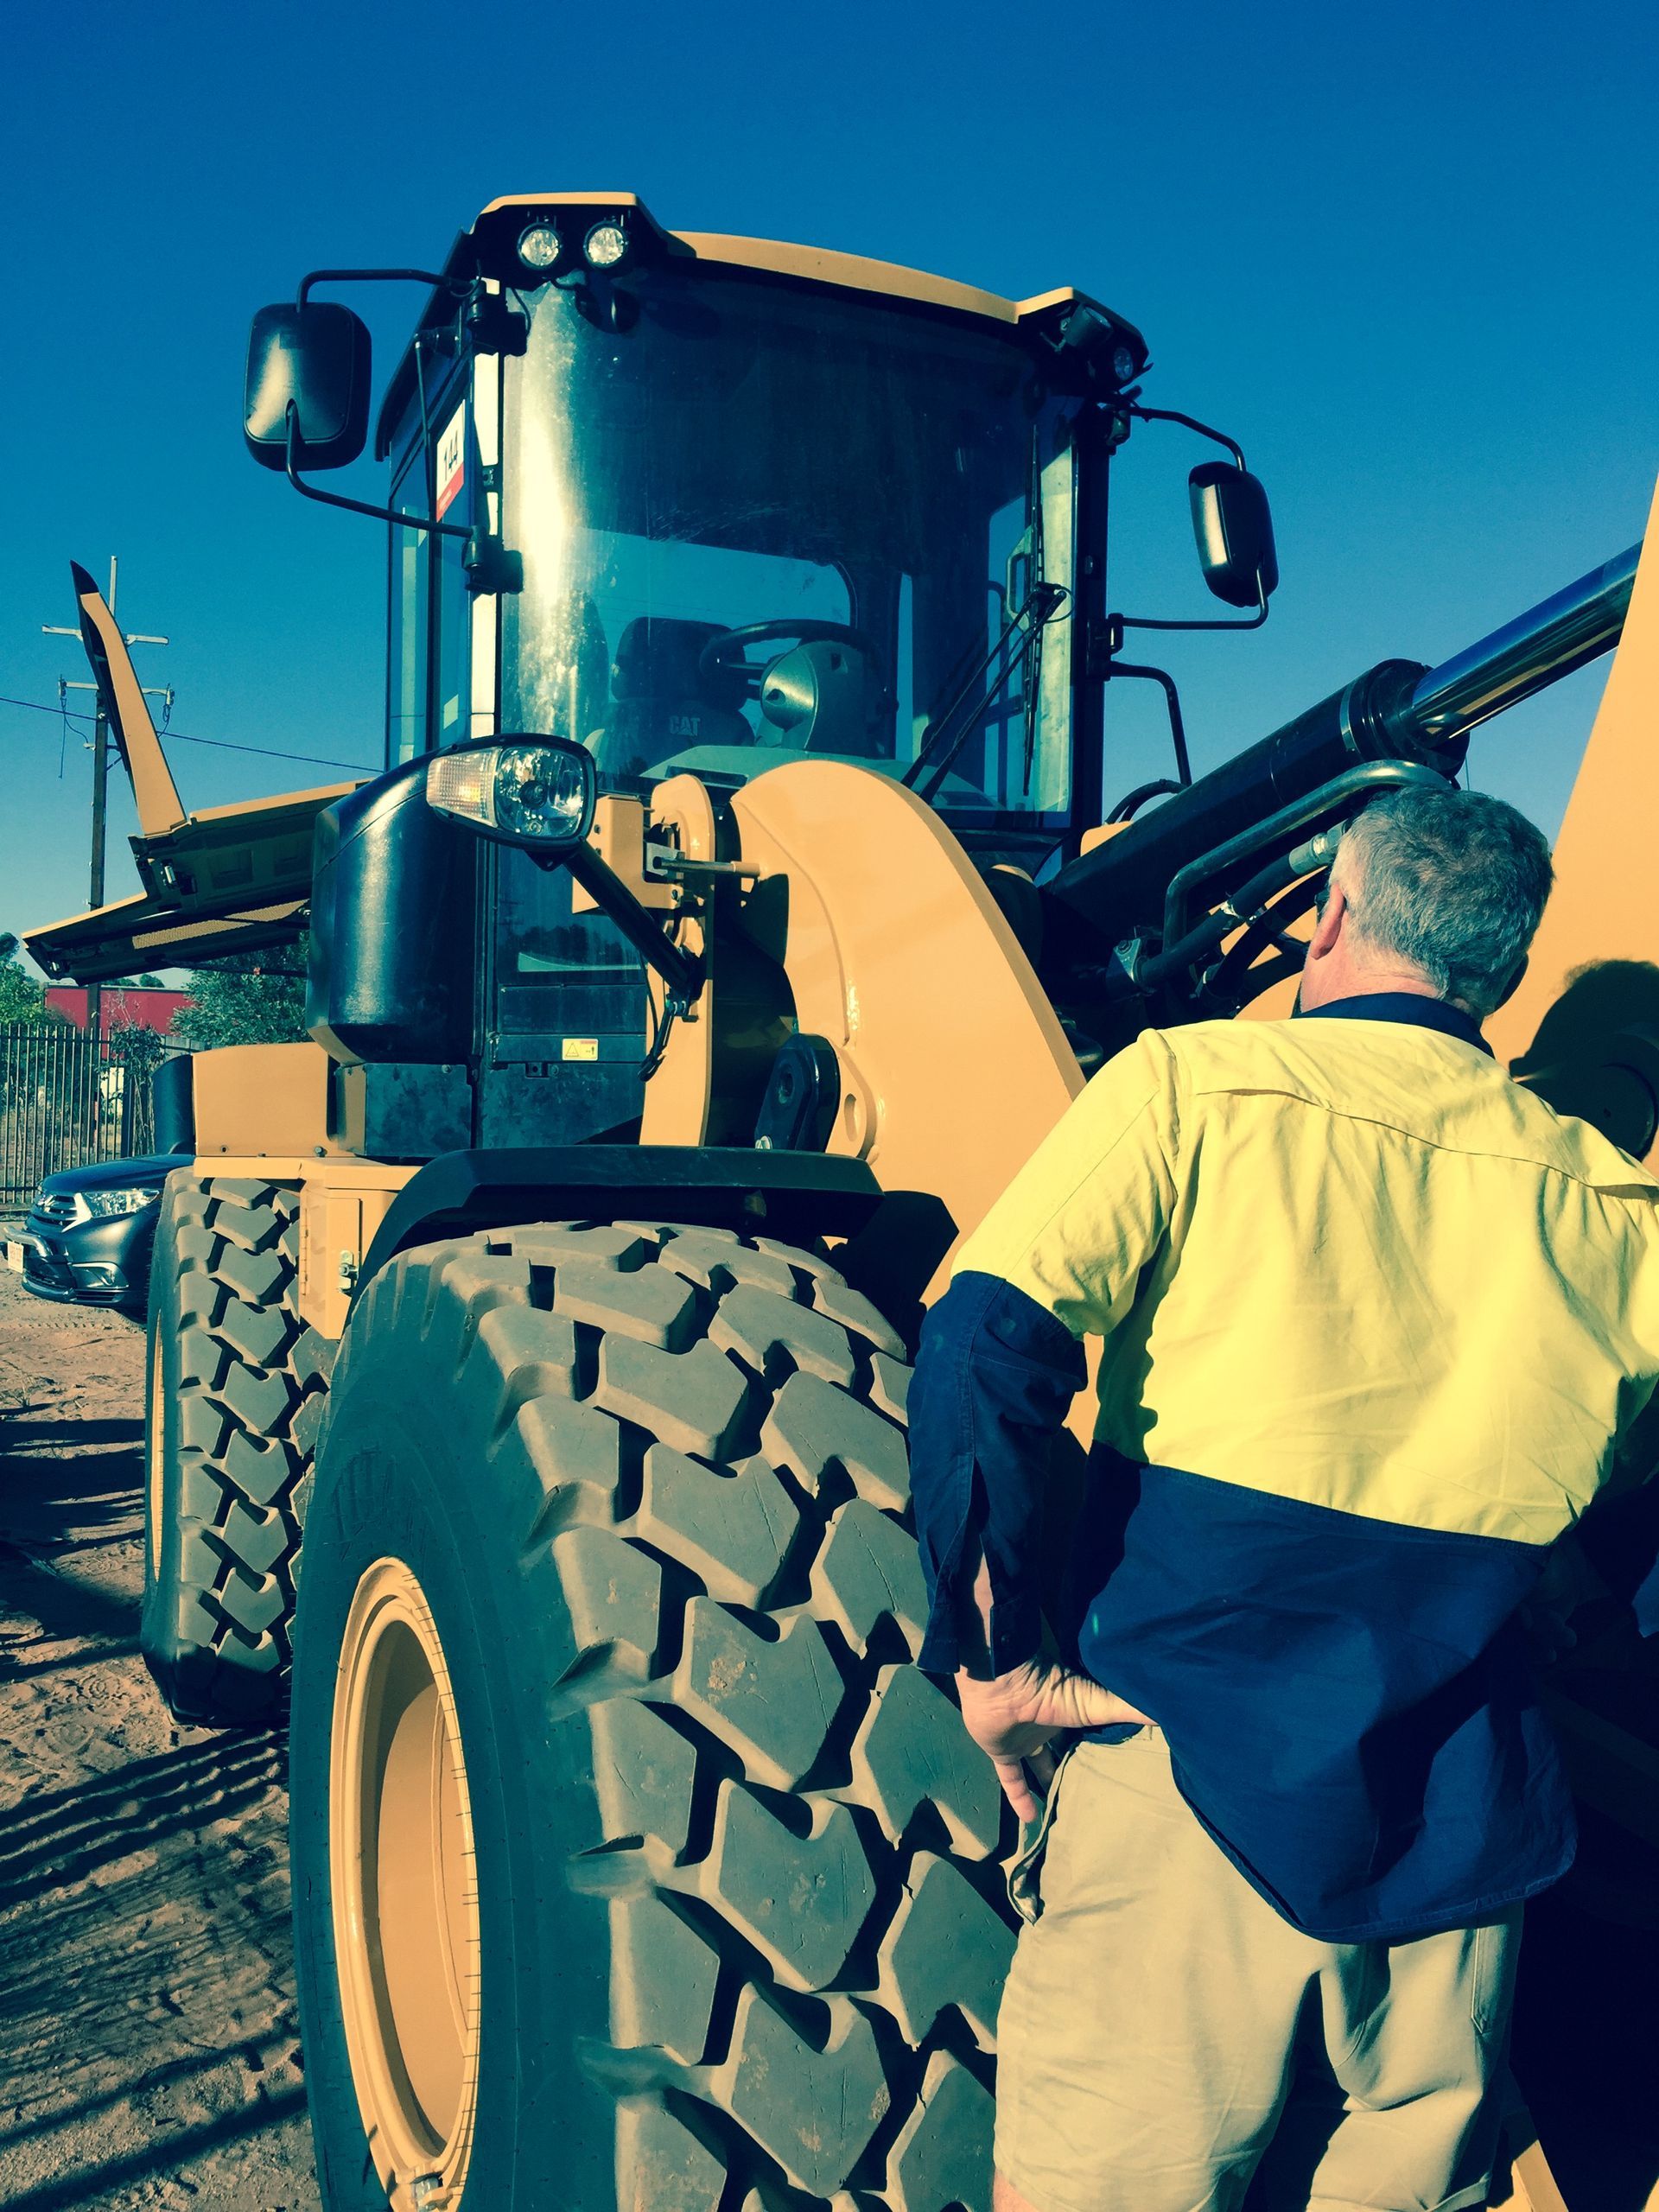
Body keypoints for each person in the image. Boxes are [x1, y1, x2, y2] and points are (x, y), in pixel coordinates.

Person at [908, 786, 1659, 2212]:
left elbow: (978, 1351)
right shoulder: (1620, 1216)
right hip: (1463, 1858)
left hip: (1186, 1800)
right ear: (1496, 977)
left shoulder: (1192, 1089)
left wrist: (997, 1660)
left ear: (1329, 918)